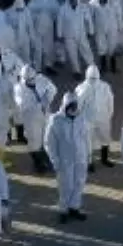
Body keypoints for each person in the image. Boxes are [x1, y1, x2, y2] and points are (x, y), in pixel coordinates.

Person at [45, 92, 90, 223]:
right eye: (71, 106)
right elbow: (49, 143)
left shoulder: (81, 118)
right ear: (65, 106)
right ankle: (63, 209)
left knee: (79, 183)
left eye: (75, 106)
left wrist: (89, 156)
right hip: (64, 160)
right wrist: (55, 161)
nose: (73, 109)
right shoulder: (55, 120)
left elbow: (86, 138)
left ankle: (74, 207)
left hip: (80, 158)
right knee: (66, 185)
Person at [15, 66, 57, 174]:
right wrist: (38, 104)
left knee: (47, 138)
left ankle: (47, 159)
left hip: (45, 114)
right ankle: (38, 163)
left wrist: (47, 97)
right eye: (28, 80)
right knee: (34, 141)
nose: (31, 82)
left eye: (32, 79)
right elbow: (22, 104)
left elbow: (53, 89)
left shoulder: (42, 79)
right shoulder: (19, 88)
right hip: (31, 118)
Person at [75, 65, 115, 172]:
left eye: (95, 78)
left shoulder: (105, 87)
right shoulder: (81, 88)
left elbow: (110, 101)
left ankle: (104, 158)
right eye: (91, 78)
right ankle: (89, 162)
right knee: (88, 142)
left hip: (103, 118)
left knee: (105, 138)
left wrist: (108, 115)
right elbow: (78, 106)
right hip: (88, 120)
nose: (93, 81)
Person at [57, 0, 94, 79]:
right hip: (68, 36)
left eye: (74, 0)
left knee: (86, 50)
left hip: (81, 34)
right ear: (68, 1)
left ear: (77, 0)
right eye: (71, 1)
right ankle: (76, 71)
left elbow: (89, 20)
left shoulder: (83, 7)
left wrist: (91, 31)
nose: (73, 2)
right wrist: (59, 35)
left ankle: (92, 67)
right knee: (72, 54)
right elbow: (60, 23)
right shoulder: (63, 9)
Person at [88, 0, 122, 74]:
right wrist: (91, 30)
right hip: (99, 28)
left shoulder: (114, 2)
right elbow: (90, 18)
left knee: (112, 46)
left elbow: (119, 15)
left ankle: (113, 66)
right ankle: (103, 66)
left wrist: (120, 26)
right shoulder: (92, 4)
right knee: (101, 47)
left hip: (112, 28)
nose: (102, 0)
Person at [27, 0, 58, 73]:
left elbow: (56, 15)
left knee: (48, 48)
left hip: (48, 29)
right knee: (38, 50)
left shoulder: (51, 2)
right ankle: (38, 68)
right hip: (37, 29)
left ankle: (48, 66)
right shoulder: (32, 4)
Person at [6, 0, 34, 67]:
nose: (20, 11)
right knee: (15, 57)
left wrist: (32, 38)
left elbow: (30, 26)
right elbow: (7, 27)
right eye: (19, 9)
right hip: (14, 39)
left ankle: (28, 72)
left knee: (26, 56)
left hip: (25, 38)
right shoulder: (8, 12)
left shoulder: (27, 11)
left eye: (21, 9)